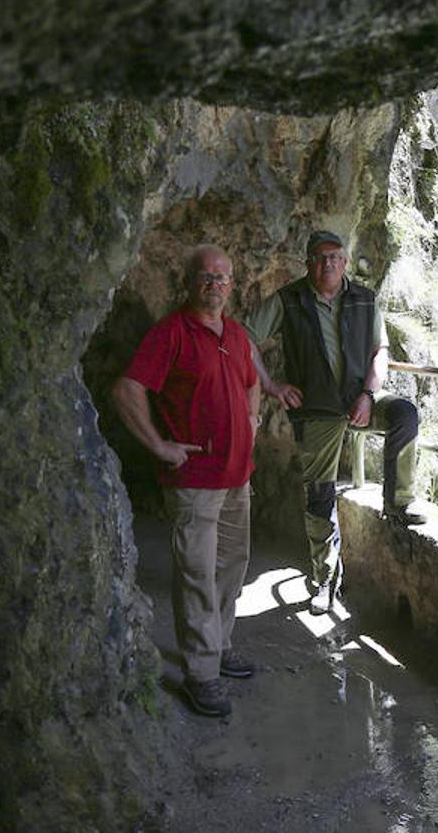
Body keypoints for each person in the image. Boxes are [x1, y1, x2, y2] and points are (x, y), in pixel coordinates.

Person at [111, 244, 261, 718]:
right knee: (198, 573)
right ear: (189, 282)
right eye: (205, 277)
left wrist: (253, 419)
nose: (214, 285)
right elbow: (127, 389)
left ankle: (220, 644)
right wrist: (159, 445)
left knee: (232, 566)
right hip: (195, 481)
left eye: (222, 278)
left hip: (238, 477)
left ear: (231, 285)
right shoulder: (170, 333)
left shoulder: (235, 335)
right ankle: (201, 672)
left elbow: (253, 379)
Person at [245, 230, 424, 616]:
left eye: (335, 256)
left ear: (344, 261)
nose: (328, 263)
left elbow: (380, 351)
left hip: (359, 400)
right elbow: (245, 339)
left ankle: (398, 503)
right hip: (317, 409)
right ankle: (325, 578)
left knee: (405, 416)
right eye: (320, 257)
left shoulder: (364, 299)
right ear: (308, 262)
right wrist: (272, 385)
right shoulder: (289, 301)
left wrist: (369, 395)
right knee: (319, 495)